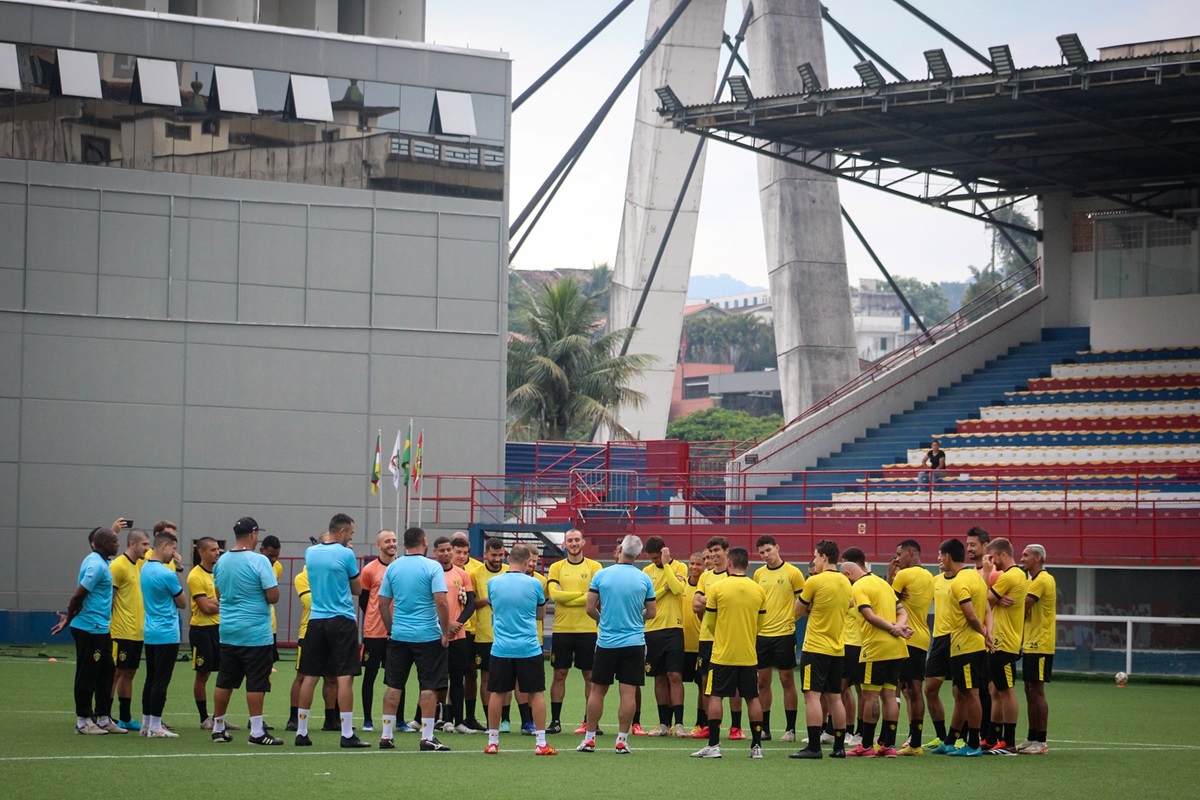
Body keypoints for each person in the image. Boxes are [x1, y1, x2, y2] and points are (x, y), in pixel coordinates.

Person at [576, 535, 656, 755]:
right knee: (628, 692)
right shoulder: (644, 579)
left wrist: (603, 619)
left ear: (620, 549)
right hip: (634, 643)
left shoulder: (601, 575)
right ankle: (621, 740)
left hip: (607, 642)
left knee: (597, 690)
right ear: (638, 554)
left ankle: (590, 739)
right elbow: (652, 612)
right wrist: (636, 618)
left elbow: (590, 607)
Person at [295, 513, 369, 748]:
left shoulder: (311, 553)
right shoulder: (346, 554)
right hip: (341, 620)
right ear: (343, 531)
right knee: (344, 675)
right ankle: (347, 733)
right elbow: (357, 589)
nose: (351, 537)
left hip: (316, 620)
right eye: (351, 533)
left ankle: (301, 731)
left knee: (310, 675)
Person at [377, 526, 452, 752]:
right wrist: (446, 631)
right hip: (427, 635)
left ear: (404, 544)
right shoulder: (432, 567)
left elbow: (382, 603)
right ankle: (427, 737)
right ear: (424, 541)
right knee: (428, 686)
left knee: (394, 685)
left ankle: (386, 735)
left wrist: (392, 629)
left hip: (400, 635)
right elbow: (441, 601)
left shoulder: (393, 567)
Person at [690, 546, 768, 759]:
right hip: (748, 654)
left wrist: (724, 636)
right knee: (752, 698)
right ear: (748, 565)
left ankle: (714, 745)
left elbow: (711, 623)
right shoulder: (758, 589)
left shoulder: (718, 588)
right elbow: (759, 624)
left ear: (730, 563)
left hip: (722, 653)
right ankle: (757, 746)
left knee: (715, 696)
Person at [210, 516, 282, 745]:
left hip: (229, 630)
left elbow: (220, 594)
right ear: (253, 534)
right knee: (256, 682)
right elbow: (273, 595)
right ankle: (257, 732)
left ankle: (218, 727)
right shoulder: (259, 561)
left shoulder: (221, 561)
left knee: (225, 680)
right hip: (255, 632)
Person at [483, 543, 555, 755]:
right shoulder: (534, 585)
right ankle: (541, 743)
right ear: (526, 562)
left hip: (501, 648)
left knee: (497, 693)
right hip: (528, 647)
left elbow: (493, 608)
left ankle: (493, 741)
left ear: (508, 560)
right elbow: (541, 615)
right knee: (536, 693)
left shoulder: (493, 583)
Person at [839, 548, 912, 757]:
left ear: (848, 575)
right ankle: (888, 745)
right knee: (889, 696)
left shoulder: (859, 586)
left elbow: (869, 616)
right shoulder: (883, 584)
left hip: (875, 648)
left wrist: (892, 628)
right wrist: (898, 627)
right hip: (896, 648)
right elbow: (902, 612)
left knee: (870, 695)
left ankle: (867, 745)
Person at [52, 525, 124, 735]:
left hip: (101, 628)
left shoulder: (102, 561)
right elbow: (78, 596)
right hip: (89, 629)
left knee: (107, 671)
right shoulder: (96, 566)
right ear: (103, 545)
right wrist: (68, 619)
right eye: (113, 541)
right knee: (87, 674)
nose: (117, 544)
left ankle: (102, 717)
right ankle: (83, 720)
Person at [789, 539, 853, 759]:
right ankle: (839, 747)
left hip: (816, 647)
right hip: (837, 648)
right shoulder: (846, 582)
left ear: (824, 557)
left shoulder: (814, 581)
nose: (814, 561)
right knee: (835, 697)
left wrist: (811, 607)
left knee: (812, 696)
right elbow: (850, 605)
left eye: (816, 557)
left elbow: (797, 610)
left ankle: (814, 747)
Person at [929, 538, 990, 757]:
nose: (939, 560)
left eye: (940, 556)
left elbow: (971, 615)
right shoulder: (976, 577)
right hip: (968, 645)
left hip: (964, 644)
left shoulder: (959, 582)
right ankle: (951, 739)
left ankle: (973, 743)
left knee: (970, 694)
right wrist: (987, 632)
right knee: (964, 693)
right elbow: (987, 610)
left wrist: (981, 631)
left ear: (947, 557)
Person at [546, 528, 602, 735]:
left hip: (588, 629)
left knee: (590, 675)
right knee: (559, 674)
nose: (574, 543)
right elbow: (555, 597)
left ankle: (590, 722)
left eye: (577, 539)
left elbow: (595, 598)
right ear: (564, 544)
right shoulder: (556, 568)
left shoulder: (595, 567)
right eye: (570, 540)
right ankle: (555, 721)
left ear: (583, 542)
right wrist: (583, 594)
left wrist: (568, 596)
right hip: (562, 630)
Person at [753, 535, 805, 742]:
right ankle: (764, 729)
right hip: (762, 635)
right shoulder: (758, 574)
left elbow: (803, 602)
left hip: (784, 634)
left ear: (777, 548)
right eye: (762, 552)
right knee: (762, 682)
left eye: (768, 550)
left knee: (786, 680)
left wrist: (789, 619)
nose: (766, 555)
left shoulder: (793, 573)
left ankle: (790, 729)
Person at [692, 536, 744, 741]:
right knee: (706, 681)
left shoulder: (733, 575)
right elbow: (696, 605)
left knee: (735, 684)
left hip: (729, 636)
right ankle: (709, 724)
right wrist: (715, 600)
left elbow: (734, 603)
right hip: (707, 636)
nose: (713, 555)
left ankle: (736, 727)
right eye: (710, 551)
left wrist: (709, 599)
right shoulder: (705, 577)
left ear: (726, 552)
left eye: (716, 550)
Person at [888, 538, 935, 755]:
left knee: (894, 688)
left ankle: (888, 740)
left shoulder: (904, 575)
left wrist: (891, 577)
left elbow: (886, 601)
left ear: (909, 552)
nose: (896, 559)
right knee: (914, 690)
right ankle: (914, 741)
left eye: (899, 554)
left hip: (905, 637)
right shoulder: (929, 576)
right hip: (923, 637)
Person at [140, 529, 186, 738]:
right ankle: (156, 726)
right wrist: (178, 569)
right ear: (165, 545)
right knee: (161, 680)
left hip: (150, 630)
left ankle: (146, 723)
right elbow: (183, 602)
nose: (174, 554)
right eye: (173, 549)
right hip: (167, 631)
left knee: (151, 678)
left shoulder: (145, 569)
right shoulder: (167, 574)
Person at [984, 537, 1027, 756]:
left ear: (1002, 555)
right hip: (997, 641)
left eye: (992, 558)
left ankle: (1008, 742)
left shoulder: (1011, 576)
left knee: (1006, 690)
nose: (992, 563)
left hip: (1005, 642)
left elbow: (982, 600)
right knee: (995, 689)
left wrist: (986, 575)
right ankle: (993, 738)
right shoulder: (1011, 577)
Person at [641, 536, 688, 737]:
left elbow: (677, 589)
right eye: (651, 559)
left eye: (657, 558)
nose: (655, 562)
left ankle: (679, 724)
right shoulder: (645, 572)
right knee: (659, 678)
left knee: (675, 676)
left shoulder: (679, 567)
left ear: (664, 552)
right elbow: (646, 600)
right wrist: (664, 589)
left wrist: (667, 566)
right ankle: (663, 724)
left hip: (674, 629)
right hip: (652, 630)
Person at [285, 562, 337, 732]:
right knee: (302, 676)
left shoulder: (334, 574)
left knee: (331, 678)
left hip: (332, 631)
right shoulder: (302, 577)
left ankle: (331, 719)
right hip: (308, 632)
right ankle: (294, 718)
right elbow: (310, 602)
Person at [189, 536, 233, 730]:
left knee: (225, 673)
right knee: (203, 674)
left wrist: (216, 603)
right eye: (213, 550)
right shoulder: (195, 576)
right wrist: (219, 603)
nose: (218, 553)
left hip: (220, 629)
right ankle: (203, 718)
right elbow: (206, 608)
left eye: (218, 549)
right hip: (201, 630)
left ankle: (219, 718)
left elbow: (224, 600)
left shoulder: (219, 573)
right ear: (202, 552)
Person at [433, 536, 477, 734]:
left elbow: (470, 603)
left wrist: (458, 623)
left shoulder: (462, 574)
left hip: (458, 635)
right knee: (435, 679)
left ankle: (458, 721)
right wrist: (443, 624)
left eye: (448, 550)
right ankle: (435, 719)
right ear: (435, 552)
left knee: (457, 678)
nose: (446, 554)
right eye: (441, 550)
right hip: (435, 633)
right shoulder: (430, 572)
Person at [109, 527, 150, 731]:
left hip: (137, 631)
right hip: (120, 632)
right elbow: (110, 599)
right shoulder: (118, 566)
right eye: (144, 544)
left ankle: (125, 716)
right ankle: (104, 715)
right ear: (132, 544)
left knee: (130, 673)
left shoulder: (140, 565)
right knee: (115, 673)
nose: (147, 548)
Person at [1017, 543, 1056, 755]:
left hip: (1041, 643)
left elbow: (1022, 607)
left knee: (1037, 691)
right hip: (1031, 642)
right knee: (1029, 689)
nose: (1021, 559)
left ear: (1038, 558)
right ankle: (1032, 737)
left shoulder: (1042, 580)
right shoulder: (1033, 580)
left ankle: (1041, 741)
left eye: (1026, 555)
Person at [359, 529, 398, 732]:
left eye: (393, 540)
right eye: (387, 541)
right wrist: (376, 617)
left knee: (396, 677)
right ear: (378, 545)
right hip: (374, 633)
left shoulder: (401, 567)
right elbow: (365, 601)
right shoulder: (369, 570)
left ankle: (399, 721)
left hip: (398, 632)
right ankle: (367, 720)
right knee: (370, 675)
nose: (391, 544)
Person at [468, 538, 508, 730]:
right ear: (486, 554)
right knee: (486, 677)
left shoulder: (510, 572)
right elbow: (470, 604)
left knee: (508, 678)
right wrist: (488, 599)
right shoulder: (476, 574)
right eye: (494, 555)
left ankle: (506, 719)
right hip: (483, 634)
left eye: (501, 555)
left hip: (506, 634)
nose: (498, 559)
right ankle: (489, 720)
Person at [451, 533, 487, 731]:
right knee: (451, 673)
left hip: (472, 629)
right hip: (451, 629)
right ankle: (447, 716)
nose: (461, 556)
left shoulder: (474, 570)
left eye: (465, 552)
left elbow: (474, 601)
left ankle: (470, 716)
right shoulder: (443, 569)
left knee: (471, 673)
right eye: (458, 552)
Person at [966, 526, 997, 740]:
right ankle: (972, 733)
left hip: (988, 639)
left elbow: (986, 602)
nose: (969, 548)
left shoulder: (995, 572)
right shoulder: (969, 573)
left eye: (973, 545)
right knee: (969, 689)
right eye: (967, 544)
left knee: (986, 689)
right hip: (970, 639)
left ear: (986, 546)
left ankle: (986, 734)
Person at [681, 551, 708, 738]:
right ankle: (675, 722)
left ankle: (701, 723)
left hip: (700, 644)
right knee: (672, 681)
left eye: (698, 564)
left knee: (702, 685)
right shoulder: (681, 584)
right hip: (681, 644)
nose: (694, 567)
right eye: (692, 563)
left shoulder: (705, 586)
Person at [259, 534, 284, 667]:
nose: (273, 559)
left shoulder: (278, 567)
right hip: (254, 624)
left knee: (267, 665)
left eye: (276, 556)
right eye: (270, 555)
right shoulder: (253, 565)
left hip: (270, 623)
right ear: (261, 550)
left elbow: (272, 594)